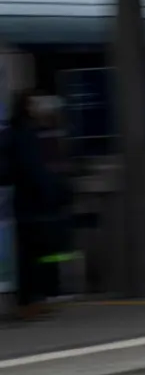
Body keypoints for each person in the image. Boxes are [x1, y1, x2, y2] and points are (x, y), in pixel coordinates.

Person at [9, 92, 73, 316]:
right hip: (35, 205)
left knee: (35, 253)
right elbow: (34, 169)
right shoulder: (26, 135)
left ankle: (35, 299)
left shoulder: (24, 132)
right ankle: (31, 301)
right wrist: (53, 193)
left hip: (31, 203)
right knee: (33, 254)